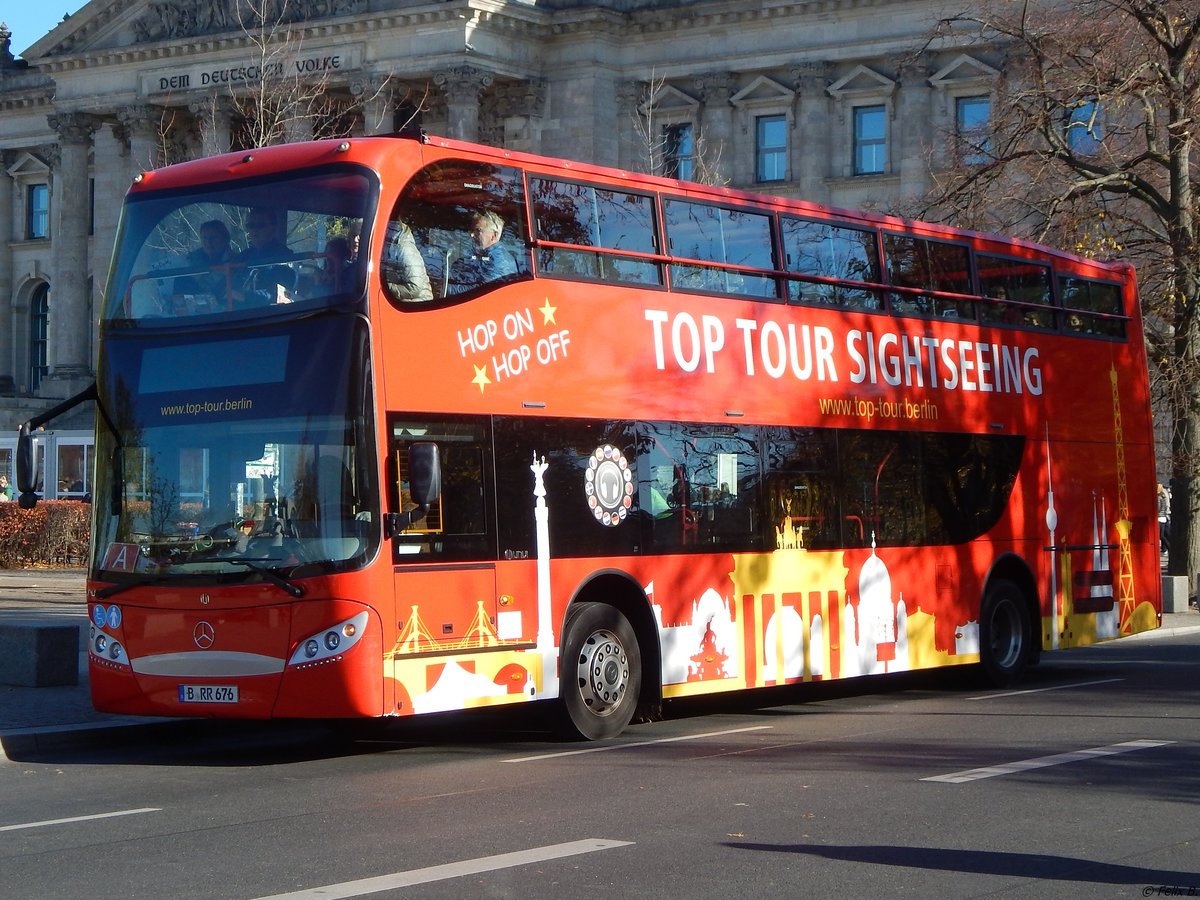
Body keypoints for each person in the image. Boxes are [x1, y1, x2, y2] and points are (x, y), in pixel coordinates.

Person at [235, 208, 296, 305]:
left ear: (272, 228)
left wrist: (245, 296)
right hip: (238, 311)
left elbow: (281, 294)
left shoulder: (284, 257)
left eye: (260, 225)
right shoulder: (243, 257)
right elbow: (229, 282)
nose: (254, 230)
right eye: (250, 225)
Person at [448, 210, 519, 294]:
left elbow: (481, 290)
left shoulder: (499, 261)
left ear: (494, 235)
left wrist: (445, 288)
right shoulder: (480, 253)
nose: (472, 235)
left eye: (478, 230)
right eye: (472, 230)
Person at [173, 219, 233, 310]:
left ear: (225, 239)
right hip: (192, 317)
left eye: (214, 238)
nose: (208, 242)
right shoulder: (189, 261)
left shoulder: (236, 263)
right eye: (205, 238)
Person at [382, 220, 433, 302]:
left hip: (417, 306)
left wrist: (383, 286)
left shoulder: (405, 249)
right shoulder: (387, 245)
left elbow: (414, 287)